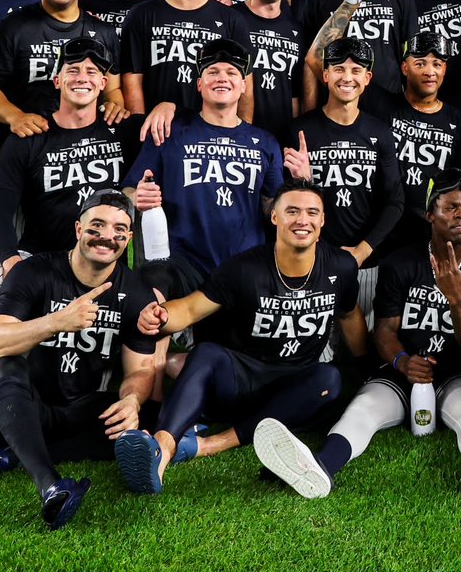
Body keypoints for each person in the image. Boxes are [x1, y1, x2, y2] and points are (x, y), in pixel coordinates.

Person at [254, 172, 461, 496]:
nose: (460, 214)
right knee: (362, 409)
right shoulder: (401, 263)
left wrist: (456, 299)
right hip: (401, 372)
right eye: (450, 206)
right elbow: (384, 330)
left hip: (458, 372)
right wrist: (402, 361)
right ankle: (319, 469)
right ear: (430, 214)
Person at [116, 180, 363, 494]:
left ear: (323, 219)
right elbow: (191, 309)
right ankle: (161, 450)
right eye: (292, 211)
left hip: (292, 385)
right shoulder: (245, 267)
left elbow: (349, 314)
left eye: (312, 212)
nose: (303, 220)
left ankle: (207, 445)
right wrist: (162, 315)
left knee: (329, 379)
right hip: (240, 380)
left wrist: (365, 365)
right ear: (275, 217)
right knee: (206, 354)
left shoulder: (340, 267)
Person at [0, 37, 143, 441]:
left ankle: (109, 394)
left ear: (103, 83)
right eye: (73, 70)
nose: (82, 77)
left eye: (93, 71)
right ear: (57, 80)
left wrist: (159, 107)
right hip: (39, 257)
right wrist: (8, 258)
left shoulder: (122, 130)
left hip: (102, 264)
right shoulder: (29, 135)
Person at [0, 194, 160, 531]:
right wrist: (57, 321)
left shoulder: (136, 291)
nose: (106, 236)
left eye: (119, 229)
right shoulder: (35, 271)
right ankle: (50, 484)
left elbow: (140, 370)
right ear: (78, 228)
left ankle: (7, 456)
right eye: (96, 226)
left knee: (148, 416)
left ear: (128, 240)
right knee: (7, 368)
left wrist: (132, 399)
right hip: (13, 405)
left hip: (71, 409)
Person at [124, 37, 285, 302]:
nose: (222, 78)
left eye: (232, 73)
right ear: (199, 84)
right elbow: (129, 188)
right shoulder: (170, 130)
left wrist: (301, 185)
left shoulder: (265, 142)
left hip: (243, 263)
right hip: (182, 261)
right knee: (151, 292)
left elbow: (272, 207)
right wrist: (137, 196)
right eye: (212, 72)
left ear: (243, 85)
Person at [285, 39, 407, 312]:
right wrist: (303, 182)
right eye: (339, 69)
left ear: (367, 78)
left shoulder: (380, 133)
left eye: (356, 70)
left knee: (367, 347)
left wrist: (362, 251)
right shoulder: (300, 131)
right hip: (313, 260)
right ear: (325, 75)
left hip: (367, 263)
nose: (347, 77)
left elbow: (395, 201)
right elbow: (281, 206)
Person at [0, 0, 123, 155]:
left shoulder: (104, 32)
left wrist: (114, 103)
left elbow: (112, 88)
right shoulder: (10, 27)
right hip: (18, 148)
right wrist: (15, 116)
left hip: (78, 153)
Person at [373, 33, 461, 255]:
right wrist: (351, 4)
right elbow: (318, 61)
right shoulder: (382, 105)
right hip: (383, 223)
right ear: (405, 68)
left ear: (444, 69)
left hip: (434, 226)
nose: (430, 71)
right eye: (420, 63)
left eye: (437, 64)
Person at [120, 0, 232, 126]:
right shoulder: (142, 15)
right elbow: (132, 78)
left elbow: (244, 84)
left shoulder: (230, 18)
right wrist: (139, 128)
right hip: (157, 132)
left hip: (211, 133)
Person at [229, 0, 307, 145]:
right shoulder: (231, 19)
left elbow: (295, 94)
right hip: (237, 135)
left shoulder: (296, 29)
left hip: (282, 139)